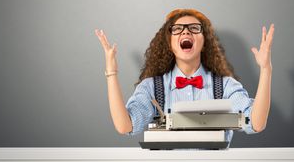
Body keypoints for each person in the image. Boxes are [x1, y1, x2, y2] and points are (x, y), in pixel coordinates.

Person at [95, 8, 274, 143]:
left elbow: (256, 123)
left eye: (194, 28)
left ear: (205, 42)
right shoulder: (151, 88)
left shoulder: (226, 87)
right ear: (169, 42)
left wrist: (266, 70)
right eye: (178, 29)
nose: (186, 32)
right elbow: (126, 125)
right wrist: (112, 73)